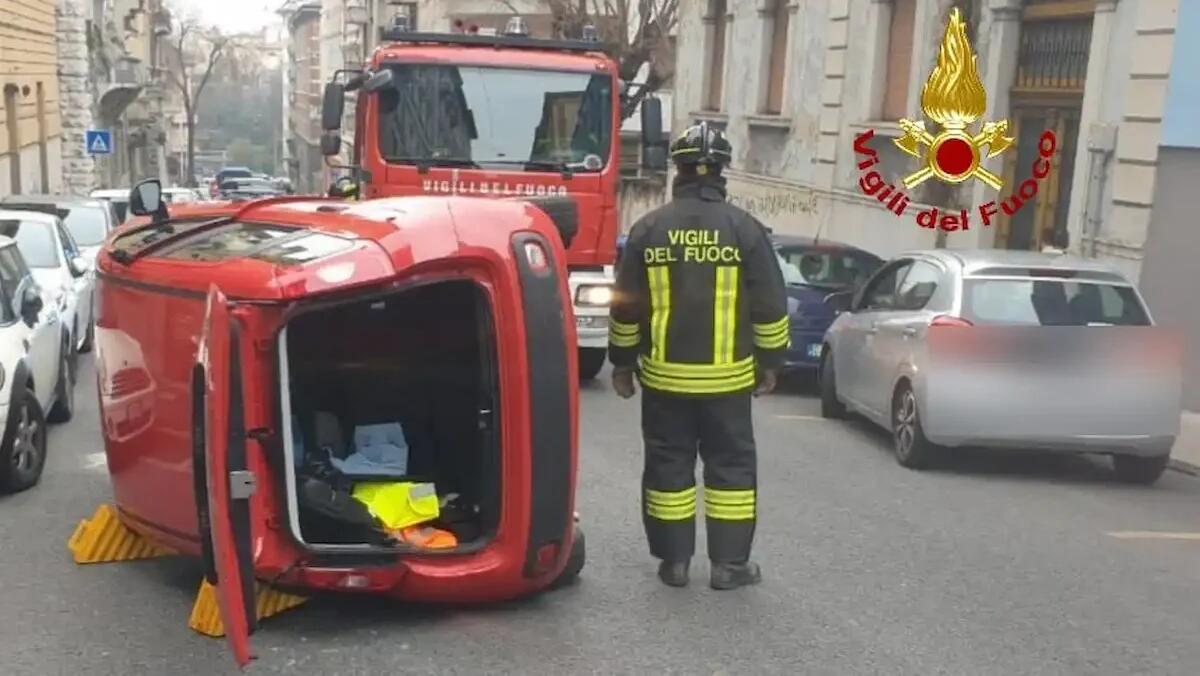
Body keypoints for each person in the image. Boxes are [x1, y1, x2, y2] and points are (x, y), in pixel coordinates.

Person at [608, 122, 790, 590]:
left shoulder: (648, 228)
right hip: (728, 383)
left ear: (679, 172)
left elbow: (626, 304)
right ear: (721, 174)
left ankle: (674, 563)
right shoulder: (745, 230)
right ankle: (729, 566)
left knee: (668, 468)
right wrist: (771, 361)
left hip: (665, 382)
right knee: (730, 469)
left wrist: (623, 363)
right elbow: (770, 302)